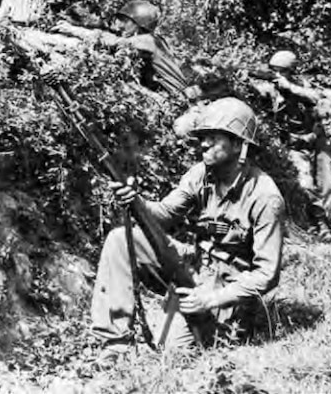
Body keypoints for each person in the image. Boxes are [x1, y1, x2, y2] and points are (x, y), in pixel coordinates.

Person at [90, 97, 286, 362]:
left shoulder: (265, 198)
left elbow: (266, 274)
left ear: (240, 145)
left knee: (170, 351)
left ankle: (207, 325)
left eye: (215, 138)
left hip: (227, 288)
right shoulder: (200, 174)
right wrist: (135, 200)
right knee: (121, 240)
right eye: (203, 136)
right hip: (195, 263)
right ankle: (114, 345)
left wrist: (211, 299)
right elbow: (164, 214)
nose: (204, 143)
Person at [51, 0, 210, 100]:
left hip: (173, 100)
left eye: (125, 21)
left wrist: (75, 31)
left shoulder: (149, 40)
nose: (119, 25)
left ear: (138, 24)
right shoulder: (152, 41)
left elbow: (113, 42)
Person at [255, 51, 331, 242]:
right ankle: (321, 223)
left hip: (315, 141)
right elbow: (258, 94)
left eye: (282, 72)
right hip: (295, 146)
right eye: (274, 71)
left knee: (328, 184)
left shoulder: (301, 86)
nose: (278, 76)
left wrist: (289, 87)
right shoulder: (271, 90)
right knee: (305, 184)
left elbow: (316, 98)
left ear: (291, 72)